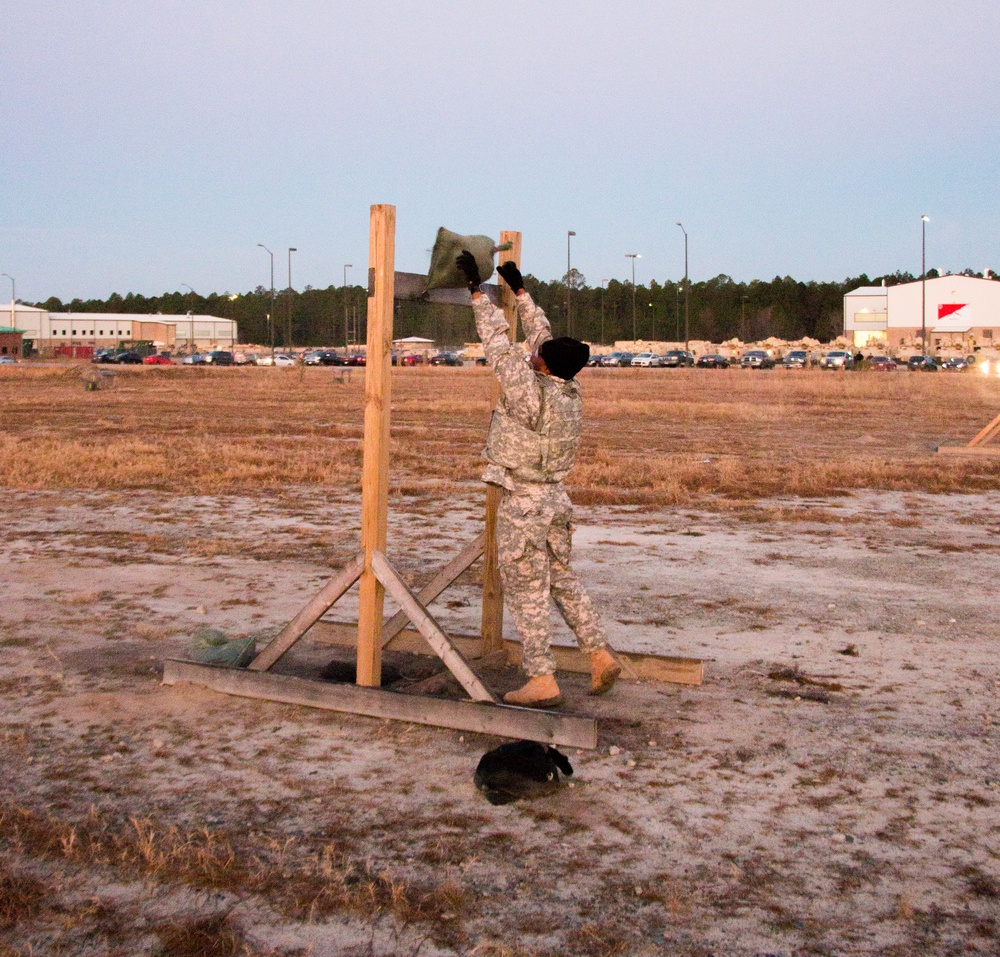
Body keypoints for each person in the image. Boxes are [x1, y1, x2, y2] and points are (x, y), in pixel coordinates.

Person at [456, 250, 621, 708]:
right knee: (562, 579)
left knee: (528, 589)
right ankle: (599, 654)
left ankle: (541, 678)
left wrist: (476, 291)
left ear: (542, 366)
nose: (531, 353)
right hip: (555, 503)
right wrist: (521, 292)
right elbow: (543, 338)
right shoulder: (568, 389)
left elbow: (496, 341)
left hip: (525, 503)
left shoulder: (527, 390)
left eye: (536, 356)